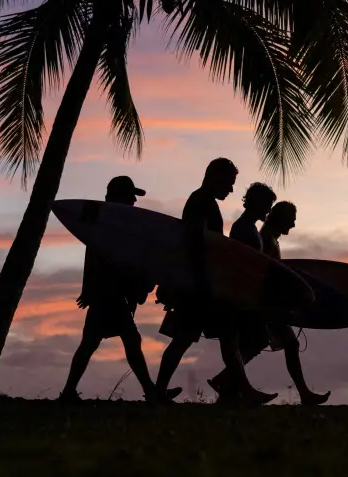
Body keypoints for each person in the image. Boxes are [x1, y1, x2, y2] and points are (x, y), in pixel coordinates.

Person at [154, 159, 277, 406]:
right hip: (200, 285)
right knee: (190, 338)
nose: (231, 190)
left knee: (220, 337)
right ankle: (159, 392)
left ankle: (241, 390)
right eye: (229, 183)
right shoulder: (200, 202)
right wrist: (205, 283)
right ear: (215, 177)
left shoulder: (205, 202)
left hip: (203, 283)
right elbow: (197, 244)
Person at [59, 176, 181, 404]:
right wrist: (89, 288)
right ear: (119, 196)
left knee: (92, 343)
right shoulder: (105, 222)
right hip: (109, 293)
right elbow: (94, 253)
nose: (135, 201)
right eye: (130, 196)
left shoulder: (116, 224)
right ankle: (151, 392)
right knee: (128, 340)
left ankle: (68, 391)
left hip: (111, 293)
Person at [208, 200, 331, 406]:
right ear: (281, 218)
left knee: (275, 343)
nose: (292, 225)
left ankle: (226, 384)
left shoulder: (270, 236)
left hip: (271, 304)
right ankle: (228, 383)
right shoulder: (264, 238)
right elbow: (260, 273)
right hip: (266, 304)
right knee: (273, 342)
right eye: (291, 220)